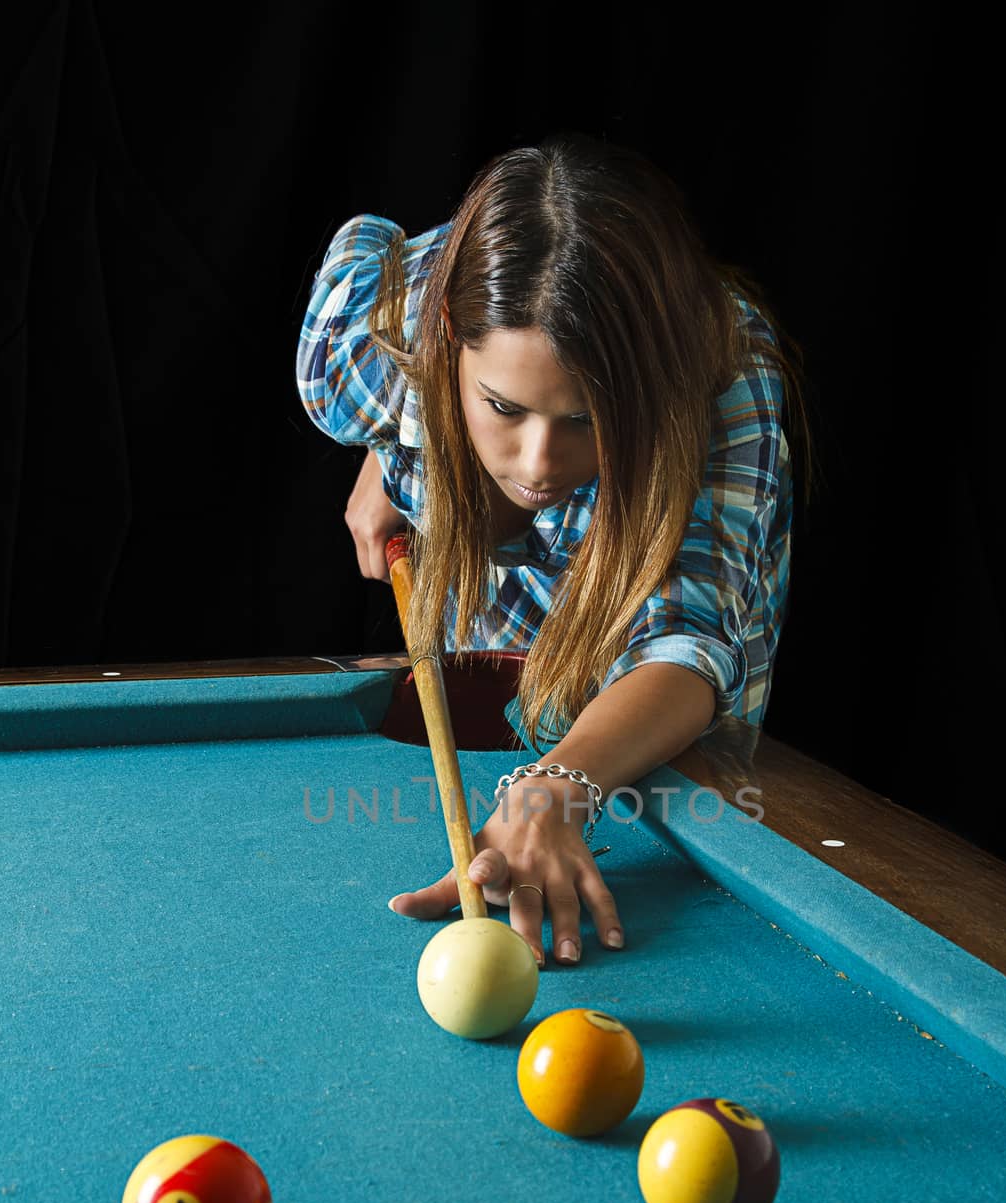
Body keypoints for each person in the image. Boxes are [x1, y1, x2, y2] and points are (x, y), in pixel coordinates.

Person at [296, 132, 813, 969]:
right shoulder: (355, 355)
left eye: (584, 419)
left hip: (657, 709)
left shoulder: (721, 376)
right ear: (449, 341)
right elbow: (368, 236)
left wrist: (558, 787)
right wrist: (395, 440)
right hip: (493, 644)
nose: (537, 466)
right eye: (502, 406)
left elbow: (685, 643)